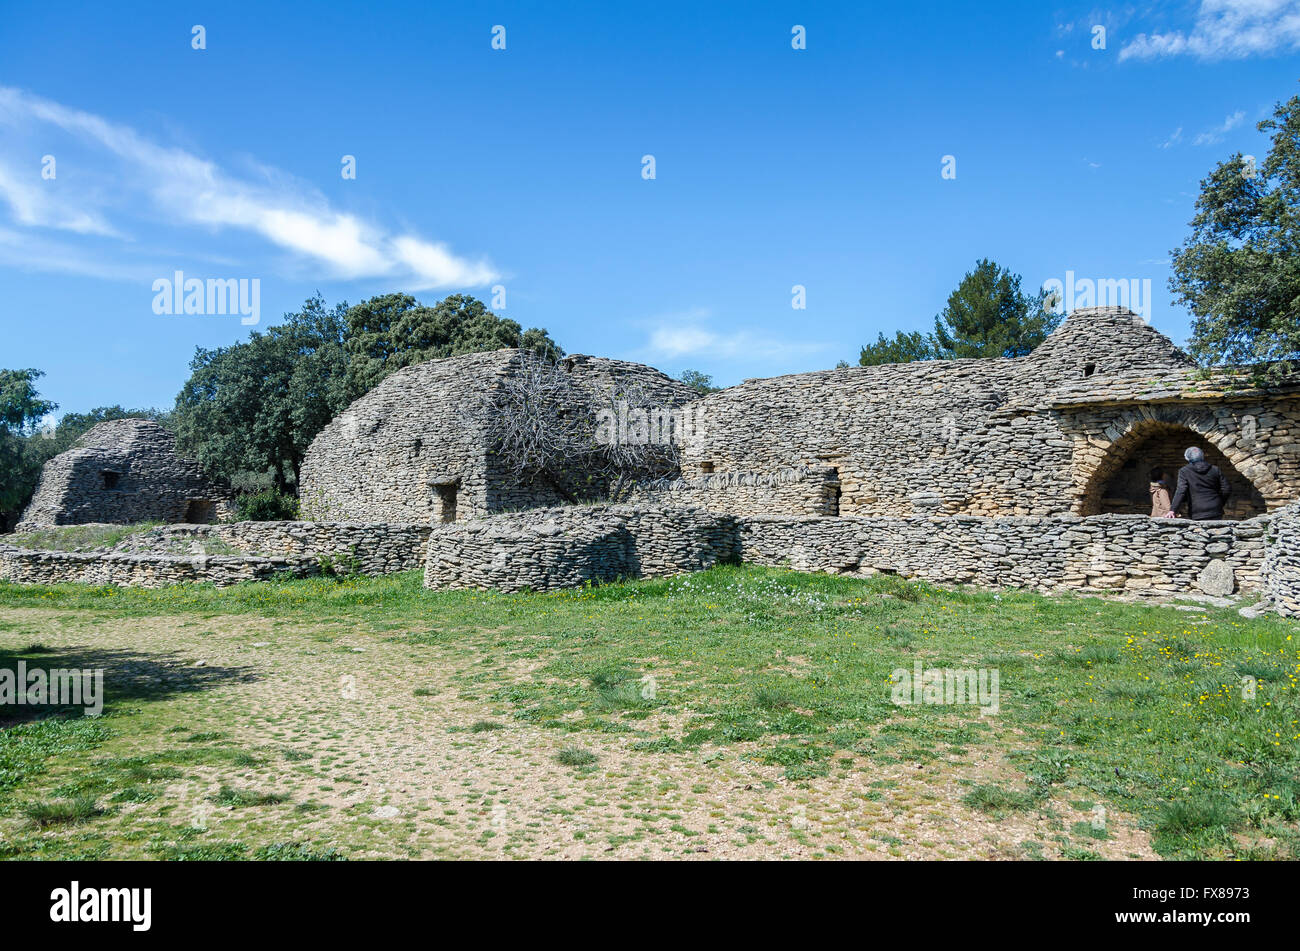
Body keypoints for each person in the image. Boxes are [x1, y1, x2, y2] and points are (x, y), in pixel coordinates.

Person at [1164, 446, 1231, 520]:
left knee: (1199, 531)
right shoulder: (1215, 469)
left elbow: (1181, 490)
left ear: (1187, 458)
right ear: (1202, 456)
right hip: (1215, 509)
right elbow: (1226, 489)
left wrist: (1173, 510)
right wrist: (1219, 502)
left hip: (1196, 509)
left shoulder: (1184, 471)